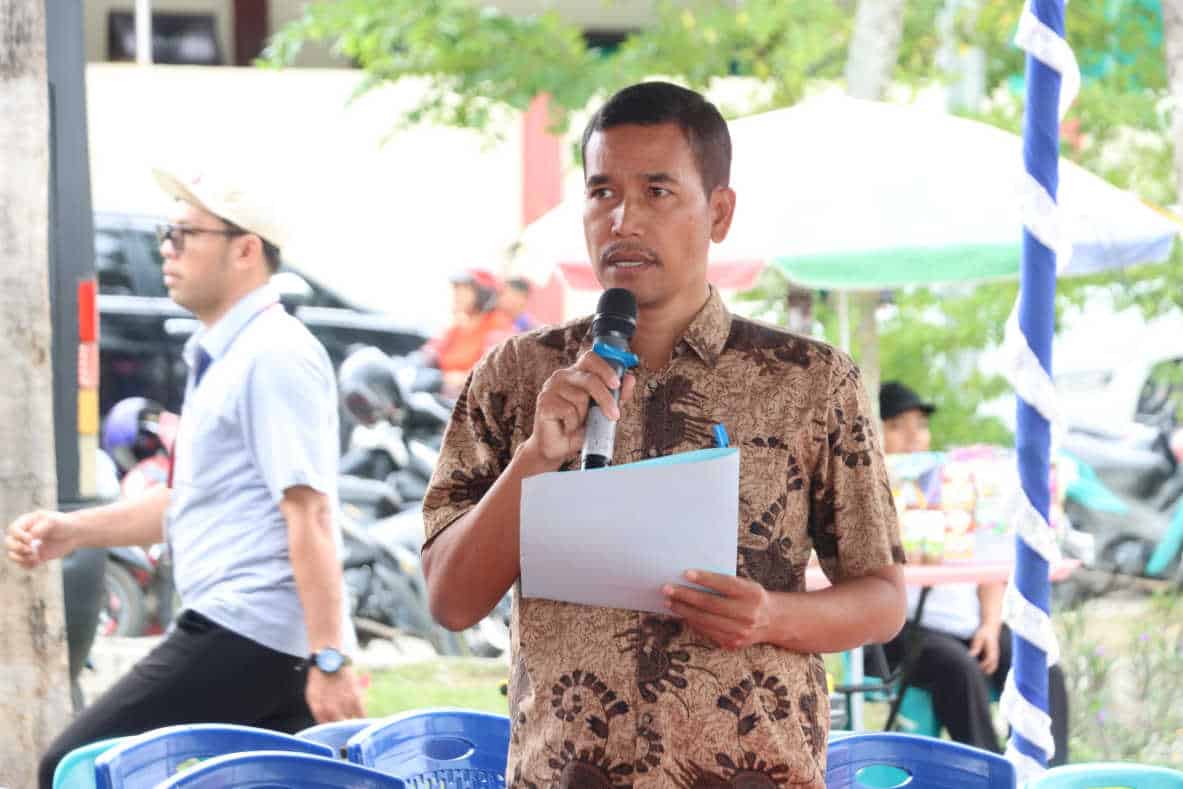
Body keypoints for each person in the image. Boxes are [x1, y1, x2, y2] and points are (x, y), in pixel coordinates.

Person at [420, 81, 907, 788]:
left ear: (719, 212)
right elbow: (450, 601)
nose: (622, 219)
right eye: (601, 192)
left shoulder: (810, 381)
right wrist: (534, 460)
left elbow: (883, 599)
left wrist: (770, 616)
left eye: (656, 191)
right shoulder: (516, 374)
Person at [6, 167, 364, 788]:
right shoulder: (226, 352)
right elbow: (188, 501)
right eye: (164, 235)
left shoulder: (275, 354)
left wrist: (330, 656)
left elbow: (309, 512)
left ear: (245, 249)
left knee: (75, 769)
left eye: (182, 235)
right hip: (248, 633)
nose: (165, 251)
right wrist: (72, 531)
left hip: (250, 629)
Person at [878, 380, 1069, 764]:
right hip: (900, 627)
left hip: (967, 622)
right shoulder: (869, 491)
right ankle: (993, 774)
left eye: (920, 425)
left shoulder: (954, 487)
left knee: (1039, 659)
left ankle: (1046, 770)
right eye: (897, 426)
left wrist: (989, 625)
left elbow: (989, 563)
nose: (913, 437)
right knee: (958, 668)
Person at [422, 268, 512, 396]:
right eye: (456, 289)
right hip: (440, 395)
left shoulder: (498, 327)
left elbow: (490, 374)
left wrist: (453, 379)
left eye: (465, 290)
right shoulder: (458, 325)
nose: (457, 295)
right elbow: (432, 350)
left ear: (483, 295)